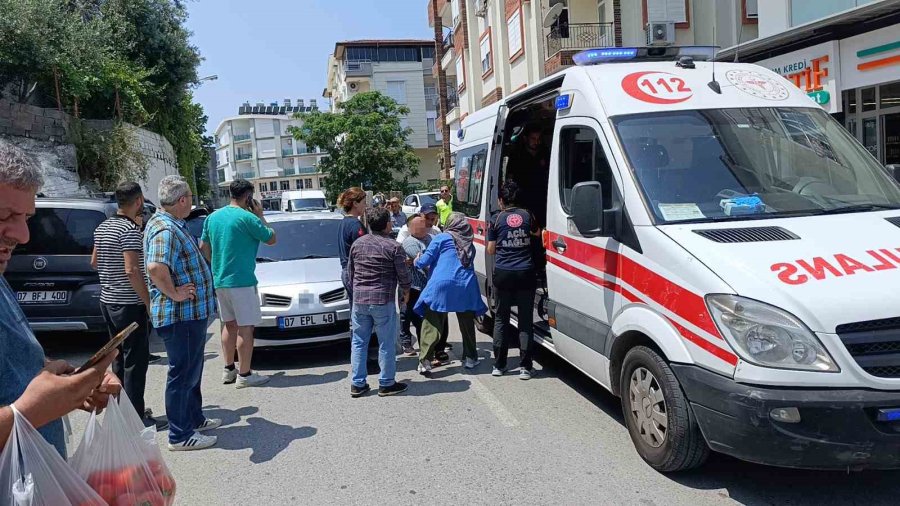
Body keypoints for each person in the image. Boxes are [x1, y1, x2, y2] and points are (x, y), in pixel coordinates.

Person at [0, 143, 120, 457]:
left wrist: (65, 385)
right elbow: (22, 407)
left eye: (26, 217)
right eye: (5, 216)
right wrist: (26, 412)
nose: (23, 235)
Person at [145, 175, 219, 451]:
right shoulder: (166, 229)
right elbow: (155, 268)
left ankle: (194, 418)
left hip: (190, 315)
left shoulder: (172, 223)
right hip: (180, 316)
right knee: (182, 374)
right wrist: (175, 293)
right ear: (183, 200)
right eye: (190, 197)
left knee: (192, 371)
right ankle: (179, 435)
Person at [200, 179, 275, 389]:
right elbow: (271, 238)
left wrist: (216, 264)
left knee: (228, 324)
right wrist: (260, 215)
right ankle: (245, 374)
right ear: (248, 197)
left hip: (220, 280)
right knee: (245, 328)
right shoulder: (248, 218)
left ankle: (228, 369)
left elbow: (203, 245)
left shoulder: (212, 217)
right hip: (241, 281)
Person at [91, 181, 155, 423]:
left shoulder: (102, 227)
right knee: (135, 362)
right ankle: (135, 417)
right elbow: (131, 270)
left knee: (118, 358)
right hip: (129, 304)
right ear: (138, 201)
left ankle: (120, 411)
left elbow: (94, 262)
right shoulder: (129, 230)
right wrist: (148, 302)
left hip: (107, 300)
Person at [346, 207, 410, 398]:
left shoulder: (357, 244)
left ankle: (357, 383)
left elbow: (350, 274)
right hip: (383, 300)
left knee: (359, 341)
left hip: (360, 300)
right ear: (387, 224)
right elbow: (403, 275)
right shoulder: (393, 247)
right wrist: (406, 292)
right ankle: (386, 382)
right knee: (386, 342)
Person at [414, 212, 487, 375]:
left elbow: (424, 261)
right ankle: (470, 358)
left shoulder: (441, 238)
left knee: (432, 322)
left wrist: (417, 260)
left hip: (442, 285)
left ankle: (425, 360)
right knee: (467, 324)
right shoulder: (468, 241)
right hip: (465, 285)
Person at [487, 182, 540, 379]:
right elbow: (537, 233)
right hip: (525, 272)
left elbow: (491, 249)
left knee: (501, 319)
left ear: (501, 200)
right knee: (525, 320)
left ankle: (499, 365)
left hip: (503, 273)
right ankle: (526, 367)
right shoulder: (528, 215)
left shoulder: (496, 218)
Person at [399, 214, 432, 356]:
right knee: (408, 315)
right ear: (411, 228)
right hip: (413, 287)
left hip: (426, 287)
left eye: (423, 223)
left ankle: (428, 349)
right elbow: (424, 263)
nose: (424, 226)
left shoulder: (430, 239)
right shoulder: (410, 243)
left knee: (423, 320)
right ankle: (407, 342)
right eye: (419, 224)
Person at [337, 187, 367, 300]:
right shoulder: (355, 225)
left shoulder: (344, 222)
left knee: (354, 307)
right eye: (363, 202)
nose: (365, 206)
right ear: (355, 203)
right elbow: (363, 251)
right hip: (355, 273)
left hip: (346, 271)